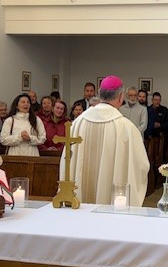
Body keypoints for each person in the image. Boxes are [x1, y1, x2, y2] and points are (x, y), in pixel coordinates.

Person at [60, 76, 149, 205]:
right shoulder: (126, 127)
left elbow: (67, 159)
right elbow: (140, 165)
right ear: (121, 97)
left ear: (99, 94)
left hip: (78, 203)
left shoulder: (78, 123)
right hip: (111, 207)